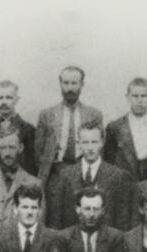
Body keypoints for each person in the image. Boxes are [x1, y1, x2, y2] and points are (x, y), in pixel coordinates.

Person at [35, 66, 103, 224]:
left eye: (74, 83)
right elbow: (39, 152)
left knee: (84, 216)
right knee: (56, 219)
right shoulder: (47, 115)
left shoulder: (94, 114)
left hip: (84, 172)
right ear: (60, 83)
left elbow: (99, 149)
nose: (70, 88)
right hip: (57, 173)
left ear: (82, 84)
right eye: (66, 83)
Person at [49, 122, 135, 230]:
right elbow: (56, 217)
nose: (90, 147)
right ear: (78, 143)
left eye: (94, 142)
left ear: (102, 143)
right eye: (85, 142)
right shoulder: (65, 175)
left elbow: (122, 220)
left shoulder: (117, 176)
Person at [0, 124, 43, 229]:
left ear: (20, 148)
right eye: (3, 148)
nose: (7, 153)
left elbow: (39, 227)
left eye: (12, 147)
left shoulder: (35, 184)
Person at [103, 77, 147, 182]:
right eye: (135, 96)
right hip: (124, 184)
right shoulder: (115, 127)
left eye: (144, 96)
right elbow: (108, 162)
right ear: (128, 97)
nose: (139, 100)